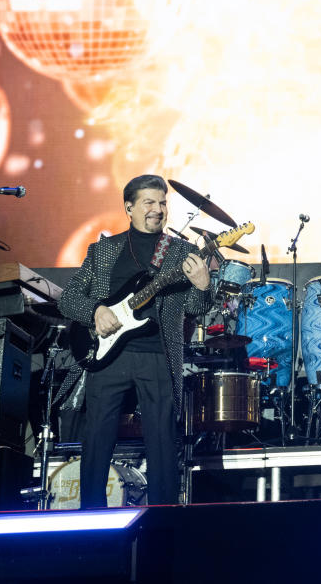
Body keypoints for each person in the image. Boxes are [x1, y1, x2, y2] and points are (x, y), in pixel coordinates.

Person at [57, 175, 211, 507]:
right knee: (97, 437)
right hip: (107, 356)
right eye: (149, 202)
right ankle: (91, 517)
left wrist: (201, 285)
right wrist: (95, 310)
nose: (158, 210)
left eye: (163, 203)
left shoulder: (182, 252)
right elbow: (67, 299)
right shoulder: (104, 250)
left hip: (157, 353)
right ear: (129, 208)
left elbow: (195, 309)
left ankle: (163, 517)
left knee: (162, 441)